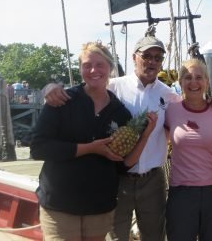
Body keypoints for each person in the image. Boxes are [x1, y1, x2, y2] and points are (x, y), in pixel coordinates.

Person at [44, 33, 212, 241]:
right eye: (147, 56)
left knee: (154, 236)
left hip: (153, 180)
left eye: (157, 58)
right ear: (133, 58)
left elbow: (192, 107)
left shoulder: (169, 97)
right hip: (117, 178)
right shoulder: (112, 87)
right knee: (116, 236)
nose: (152, 62)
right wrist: (49, 88)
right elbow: (81, 91)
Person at [30, 41, 157, 241]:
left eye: (100, 65)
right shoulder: (62, 100)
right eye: (87, 65)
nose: (93, 70)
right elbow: (38, 148)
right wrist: (90, 149)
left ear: (110, 69)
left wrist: (147, 134)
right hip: (60, 202)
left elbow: (123, 165)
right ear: (80, 68)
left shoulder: (120, 112)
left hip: (99, 205)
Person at [164, 59, 212, 241]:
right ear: (180, 82)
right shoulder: (171, 110)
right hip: (181, 192)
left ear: (207, 82)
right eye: (187, 77)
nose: (193, 82)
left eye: (199, 77)